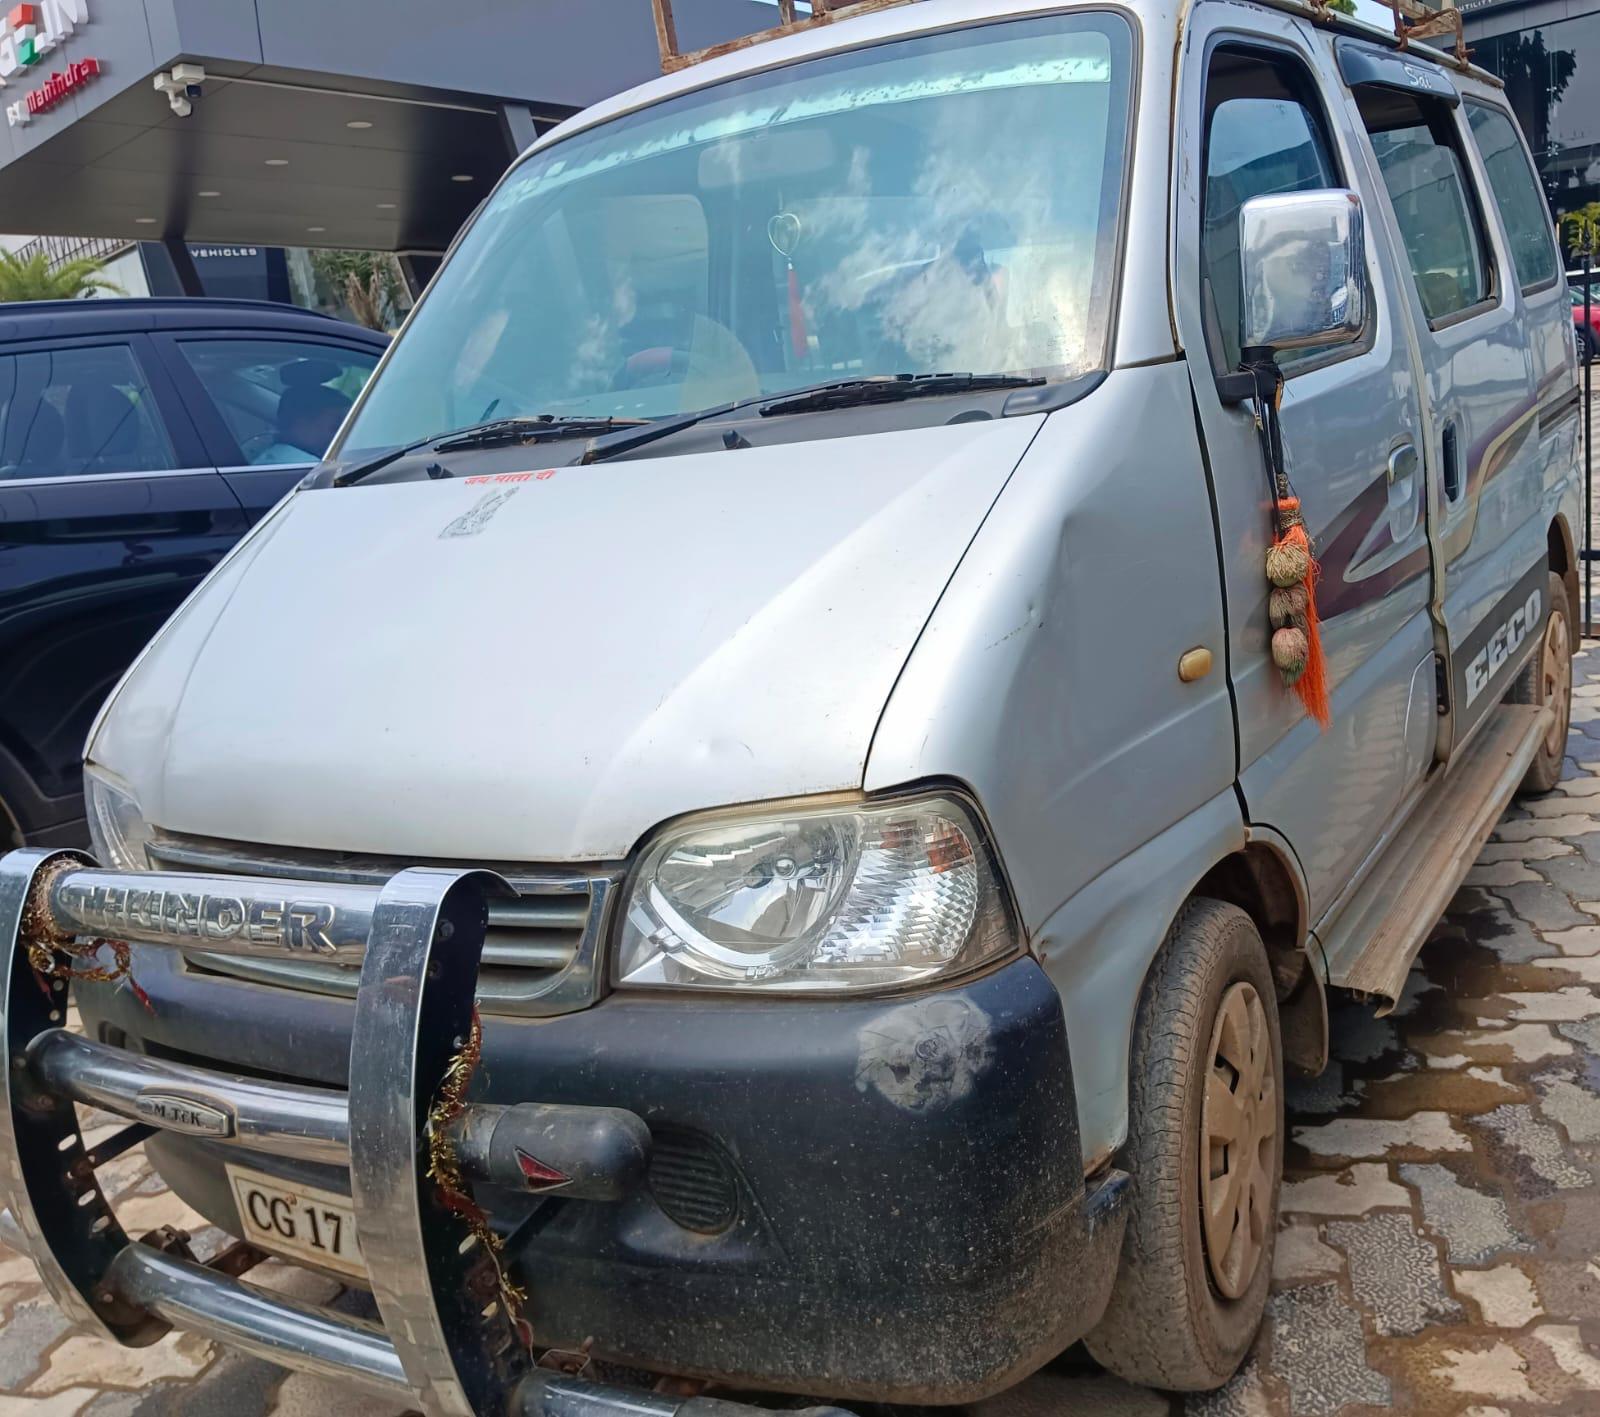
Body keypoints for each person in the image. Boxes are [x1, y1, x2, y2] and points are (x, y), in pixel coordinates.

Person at [253, 366, 354, 465]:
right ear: (301, 423)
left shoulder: (268, 459)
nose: (344, 434)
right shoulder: (311, 469)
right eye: (336, 426)